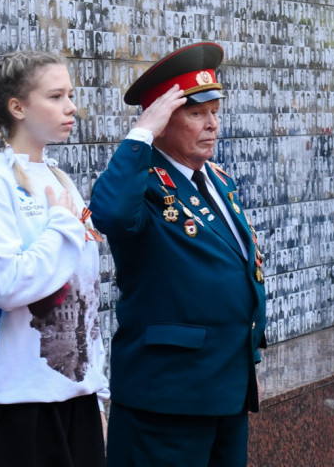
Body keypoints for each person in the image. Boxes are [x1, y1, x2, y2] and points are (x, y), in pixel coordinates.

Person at [89, 43, 266, 466]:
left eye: (215, 112)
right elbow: (110, 214)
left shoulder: (217, 179)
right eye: (197, 113)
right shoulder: (144, 183)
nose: (212, 124)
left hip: (226, 385)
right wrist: (140, 135)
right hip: (168, 397)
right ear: (164, 121)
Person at [0, 50, 108, 467]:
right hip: (16, 406)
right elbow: (6, 285)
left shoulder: (59, 178)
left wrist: (96, 389)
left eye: (70, 94)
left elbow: (86, 295)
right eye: (55, 96)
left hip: (73, 397)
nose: (71, 107)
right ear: (17, 108)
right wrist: (61, 227)